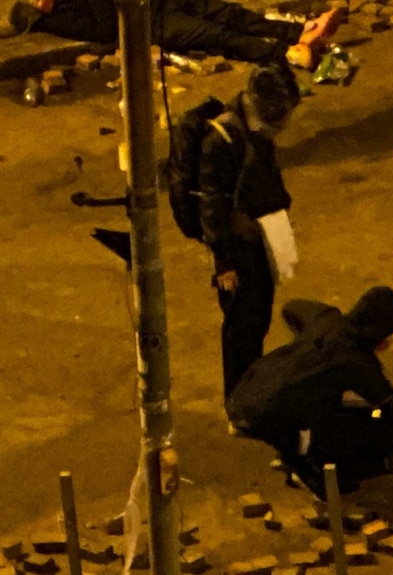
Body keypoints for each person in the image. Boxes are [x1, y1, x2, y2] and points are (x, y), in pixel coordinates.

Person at [226, 287, 393, 501]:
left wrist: (304, 343)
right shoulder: (356, 361)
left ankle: (292, 445)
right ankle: (308, 467)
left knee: (324, 402)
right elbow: (389, 402)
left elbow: (290, 308)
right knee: (383, 434)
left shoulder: (326, 318)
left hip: (245, 391)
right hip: (264, 413)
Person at [196, 64, 299, 403]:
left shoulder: (255, 134)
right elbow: (211, 205)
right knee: (242, 325)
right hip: (235, 248)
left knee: (258, 318)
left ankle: (251, 390)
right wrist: (223, 264)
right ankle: (238, 400)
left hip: (260, 237)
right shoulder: (222, 140)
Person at [18, 0, 340, 68]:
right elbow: (105, 28)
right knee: (215, 34)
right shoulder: (61, 20)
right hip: (147, 23)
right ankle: (287, 54)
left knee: (225, 12)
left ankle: (299, 30)